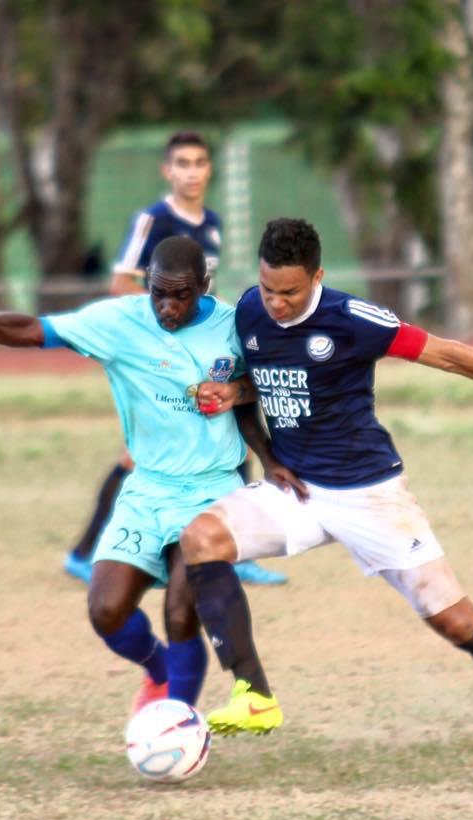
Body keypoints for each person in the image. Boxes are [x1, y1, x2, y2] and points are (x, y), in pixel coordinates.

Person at [179, 217, 473, 762]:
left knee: (457, 622)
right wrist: (248, 419)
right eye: (269, 289)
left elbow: (451, 355)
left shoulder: (352, 319)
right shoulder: (250, 308)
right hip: (295, 490)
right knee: (200, 538)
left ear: (318, 275)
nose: (276, 303)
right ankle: (254, 695)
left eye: (290, 292)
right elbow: (261, 381)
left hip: (369, 493)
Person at [0, 236, 274, 715]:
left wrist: (234, 390)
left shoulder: (232, 326)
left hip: (212, 490)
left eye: (180, 294)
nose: (167, 306)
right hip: (149, 488)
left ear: (204, 285)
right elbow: (29, 330)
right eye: (158, 292)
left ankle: (177, 720)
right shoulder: (119, 323)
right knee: (105, 611)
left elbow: (267, 383)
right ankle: (159, 672)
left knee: (181, 612)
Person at [63, 130, 286, 588]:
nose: (191, 171)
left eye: (199, 162)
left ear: (209, 170)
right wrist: (164, 330)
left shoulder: (213, 224)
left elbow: (206, 293)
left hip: (201, 357)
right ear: (168, 171)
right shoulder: (153, 219)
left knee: (228, 439)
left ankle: (231, 551)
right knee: (136, 458)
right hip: (158, 361)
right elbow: (121, 284)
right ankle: (86, 553)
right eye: (182, 163)